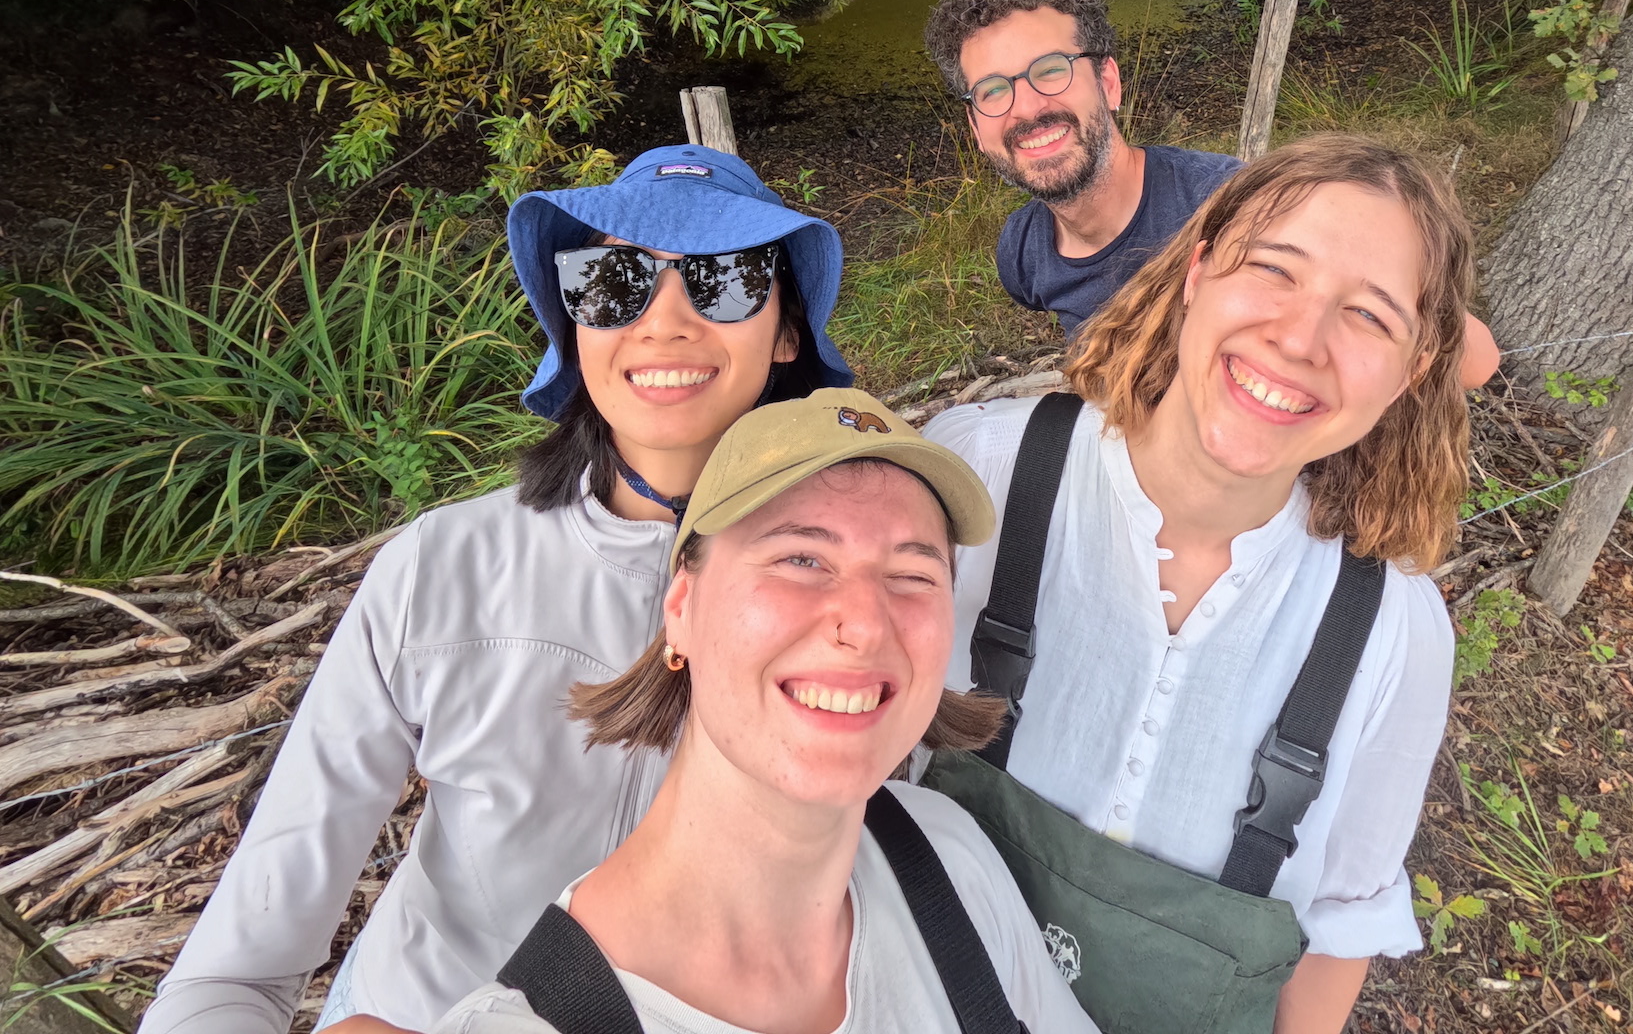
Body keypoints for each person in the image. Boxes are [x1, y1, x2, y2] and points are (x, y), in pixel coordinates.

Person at [143, 146, 855, 1034]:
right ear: (574, 321)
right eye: (612, 280)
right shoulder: (441, 567)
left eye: (726, 279)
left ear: (787, 328)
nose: (664, 323)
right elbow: (236, 971)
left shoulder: (855, 592)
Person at [922, 133, 1472, 1034]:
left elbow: (1340, 925)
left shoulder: (1391, 634)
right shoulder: (978, 476)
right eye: (1274, 270)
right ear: (1198, 268)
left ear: (1412, 374)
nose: (1299, 338)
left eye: (1369, 316)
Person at [425, 389, 1100, 1034]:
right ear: (681, 608)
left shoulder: (947, 858)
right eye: (801, 558)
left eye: (912, 575)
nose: (866, 623)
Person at [922, 0, 1502, 383]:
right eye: (993, 90)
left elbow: (1475, 360)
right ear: (977, 127)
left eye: (1050, 70)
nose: (1025, 107)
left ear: (1108, 83)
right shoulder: (1023, 254)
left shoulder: (1232, 203)